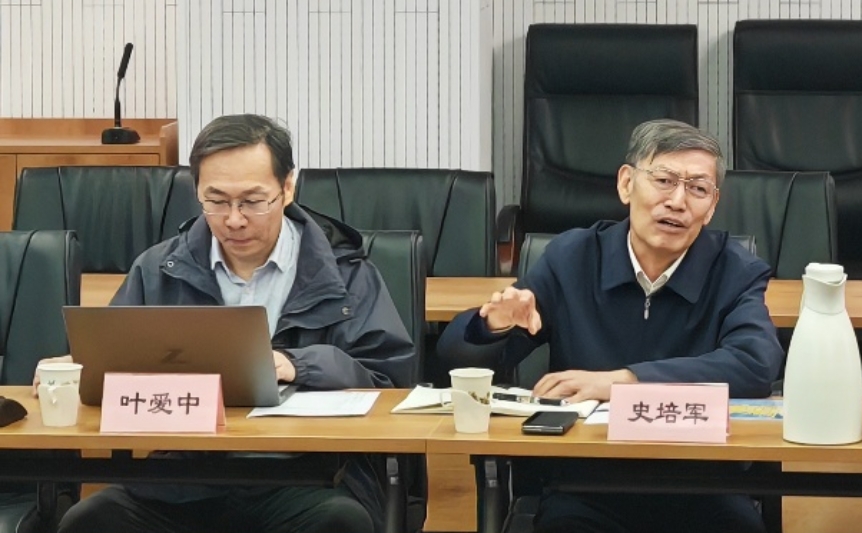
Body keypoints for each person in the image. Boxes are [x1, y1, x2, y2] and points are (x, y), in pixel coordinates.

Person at [44, 114, 414, 533]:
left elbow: (389, 381)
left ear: (287, 188)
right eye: (216, 201)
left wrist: (298, 365)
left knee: (339, 522)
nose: (234, 219)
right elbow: (117, 365)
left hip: (306, 474)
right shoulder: (159, 269)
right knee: (90, 521)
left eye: (252, 201)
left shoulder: (346, 273)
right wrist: (81, 369)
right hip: (186, 476)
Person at [438, 119, 783, 533]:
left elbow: (755, 364)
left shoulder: (735, 271)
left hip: (704, 484)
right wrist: (493, 325)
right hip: (587, 484)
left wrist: (623, 382)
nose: (677, 201)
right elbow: (456, 359)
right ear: (626, 184)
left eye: (697, 188)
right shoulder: (574, 258)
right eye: (663, 180)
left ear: (711, 206)